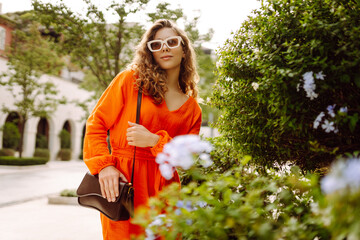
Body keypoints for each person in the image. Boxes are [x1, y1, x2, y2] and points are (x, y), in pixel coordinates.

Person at [83, 19, 202, 239]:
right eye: (156, 45)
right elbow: (96, 123)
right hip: (126, 185)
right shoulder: (131, 81)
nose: (164, 48)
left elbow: (187, 159)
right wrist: (105, 166)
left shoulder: (192, 108)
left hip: (165, 190)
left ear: (184, 49)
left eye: (171, 42)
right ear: (150, 53)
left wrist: (155, 142)